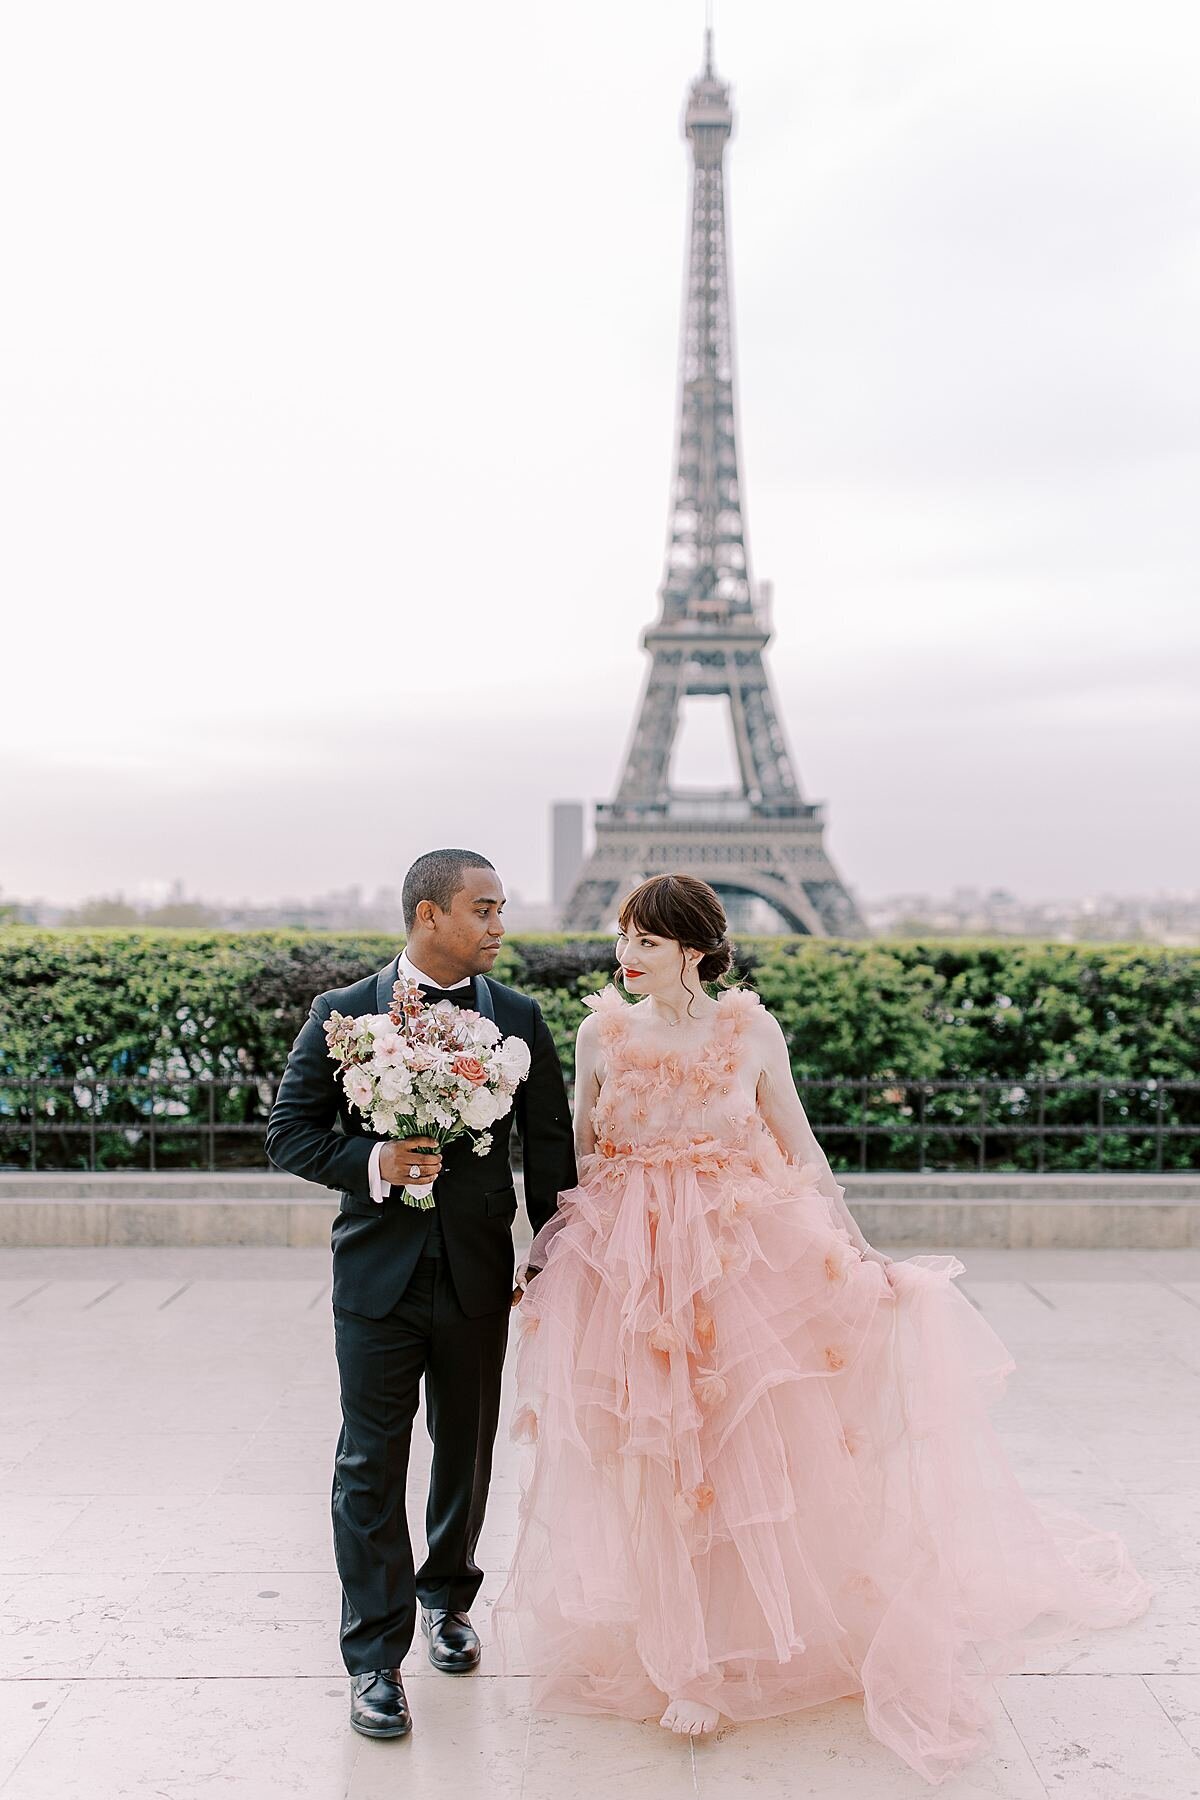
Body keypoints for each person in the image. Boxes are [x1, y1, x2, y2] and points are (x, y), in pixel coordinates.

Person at [492, 873, 1151, 1787]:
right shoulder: (601, 1030)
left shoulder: (751, 1030)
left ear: (691, 946)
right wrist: (560, 1257)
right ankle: (678, 1652)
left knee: (735, 1458)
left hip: (742, 1261)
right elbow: (583, 1155)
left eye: (642, 941)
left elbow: (799, 1146)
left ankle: (719, 1656)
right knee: (654, 1462)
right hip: (633, 1268)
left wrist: (862, 1250)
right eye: (623, 939)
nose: (623, 956)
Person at [266, 849, 575, 1740]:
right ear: (428, 915)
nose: (499, 926)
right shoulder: (343, 1013)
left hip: (479, 1272)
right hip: (377, 1277)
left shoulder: (517, 1017)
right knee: (368, 1460)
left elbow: (548, 1148)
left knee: (466, 1450)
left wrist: (551, 1251)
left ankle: (447, 1599)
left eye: (502, 908)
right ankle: (373, 1661)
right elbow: (289, 1133)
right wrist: (373, 1162)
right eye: (484, 909)